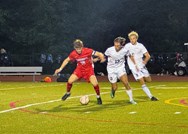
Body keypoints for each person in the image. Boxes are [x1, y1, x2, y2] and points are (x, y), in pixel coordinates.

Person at [54, 39, 106, 105]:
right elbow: (67, 60)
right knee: (70, 81)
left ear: (82, 47)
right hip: (79, 69)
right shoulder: (73, 53)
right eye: (77, 49)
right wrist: (60, 68)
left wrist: (102, 57)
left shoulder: (88, 51)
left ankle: (98, 97)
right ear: (74, 48)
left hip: (89, 69)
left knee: (95, 84)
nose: (78, 50)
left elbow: (99, 53)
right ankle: (68, 93)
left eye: (80, 48)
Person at [125, 31, 158, 101]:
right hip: (134, 67)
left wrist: (144, 62)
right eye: (130, 39)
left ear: (136, 38)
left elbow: (148, 56)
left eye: (133, 38)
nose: (132, 40)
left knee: (149, 80)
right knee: (142, 81)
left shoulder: (140, 46)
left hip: (141, 66)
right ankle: (151, 96)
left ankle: (140, 78)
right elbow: (130, 56)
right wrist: (135, 65)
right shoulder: (127, 46)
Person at [105, 37, 137, 104]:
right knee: (115, 87)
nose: (116, 46)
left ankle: (131, 100)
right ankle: (113, 90)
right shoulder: (109, 50)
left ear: (122, 45)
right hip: (111, 70)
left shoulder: (125, 50)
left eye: (118, 45)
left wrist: (135, 64)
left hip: (120, 68)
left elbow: (130, 56)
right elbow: (105, 56)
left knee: (126, 83)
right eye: (115, 44)